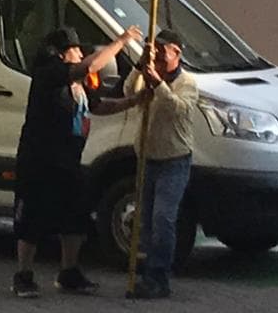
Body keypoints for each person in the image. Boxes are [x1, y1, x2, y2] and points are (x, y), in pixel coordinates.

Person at [12, 24, 146, 299]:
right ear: (62, 54)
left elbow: (98, 106)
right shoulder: (50, 73)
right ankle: (23, 275)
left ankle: (69, 271)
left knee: (75, 215)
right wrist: (122, 40)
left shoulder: (78, 85)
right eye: (75, 50)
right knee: (32, 217)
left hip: (69, 159)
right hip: (40, 160)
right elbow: (90, 66)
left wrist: (134, 101)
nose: (80, 53)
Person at [126, 29, 198, 300]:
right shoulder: (148, 75)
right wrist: (140, 65)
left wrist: (158, 84)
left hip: (174, 160)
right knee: (144, 220)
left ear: (177, 53)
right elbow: (128, 91)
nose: (158, 54)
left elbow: (177, 108)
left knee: (163, 218)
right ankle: (146, 274)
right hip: (147, 158)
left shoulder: (187, 83)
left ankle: (160, 276)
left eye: (163, 50)